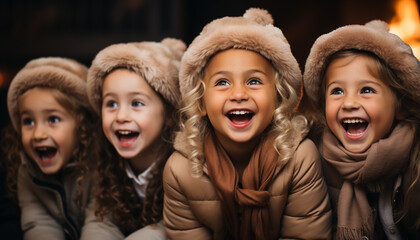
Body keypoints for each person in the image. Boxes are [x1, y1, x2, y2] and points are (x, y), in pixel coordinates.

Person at [163, 8, 332, 240]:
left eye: (254, 81)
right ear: (200, 102)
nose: (239, 94)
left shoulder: (300, 157)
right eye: (222, 82)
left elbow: (305, 235)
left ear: (278, 99)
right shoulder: (180, 170)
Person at [303, 20, 420, 239]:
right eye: (337, 91)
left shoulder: (415, 160)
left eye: (366, 90)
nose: (349, 103)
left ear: (400, 105)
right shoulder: (313, 160)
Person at [82, 38, 185, 239]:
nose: (121, 116)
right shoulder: (106, 162)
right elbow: (100, 221)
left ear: (169, 114)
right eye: (111, 104)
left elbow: (177, 225)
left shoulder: (184, 164)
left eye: (136, 103)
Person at [5, 57, 97, 239]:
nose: (38, 134)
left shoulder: (100, 165)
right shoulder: (27, 171)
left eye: (53, 119)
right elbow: (39, 223)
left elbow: (100, 224)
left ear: (81, 125)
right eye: (28, 121)